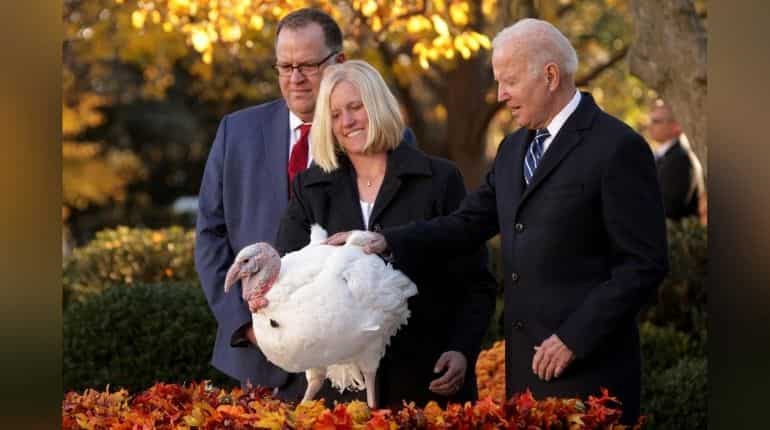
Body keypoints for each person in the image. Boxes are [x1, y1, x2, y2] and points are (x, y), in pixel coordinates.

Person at [327, 19, 668, 423]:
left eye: (509, 82)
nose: (501, 94)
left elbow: (643, 265)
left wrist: (573, 338)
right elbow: (467, 223)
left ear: (550, 76)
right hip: (525, 378)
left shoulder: (617, 147)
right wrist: (385, 241)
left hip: (592, 375)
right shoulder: (512, 148)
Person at [275, 60, 496, 408]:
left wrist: (462, 349)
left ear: (378, 105)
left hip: (426, 383)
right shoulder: (311, 188)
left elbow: (476, 283)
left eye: (355, 107)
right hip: (340, 397)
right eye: (335, 114)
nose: (347, 121)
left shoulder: (439, 180)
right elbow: (285, 277)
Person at [194, 8, 348, 401]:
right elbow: (210, 236)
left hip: (344, 360)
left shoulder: (370, 132)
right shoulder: (237, 131)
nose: (295, 78)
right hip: (257, 361)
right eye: (285, 66)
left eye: (308, 66)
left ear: (339, 62)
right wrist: (246, 327)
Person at [647, 100, 704, 220]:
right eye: (650, 121)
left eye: (656, 121)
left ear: (677, 125)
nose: (649, 126)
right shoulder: (662, 155)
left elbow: (670, 208)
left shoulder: (681, 158)